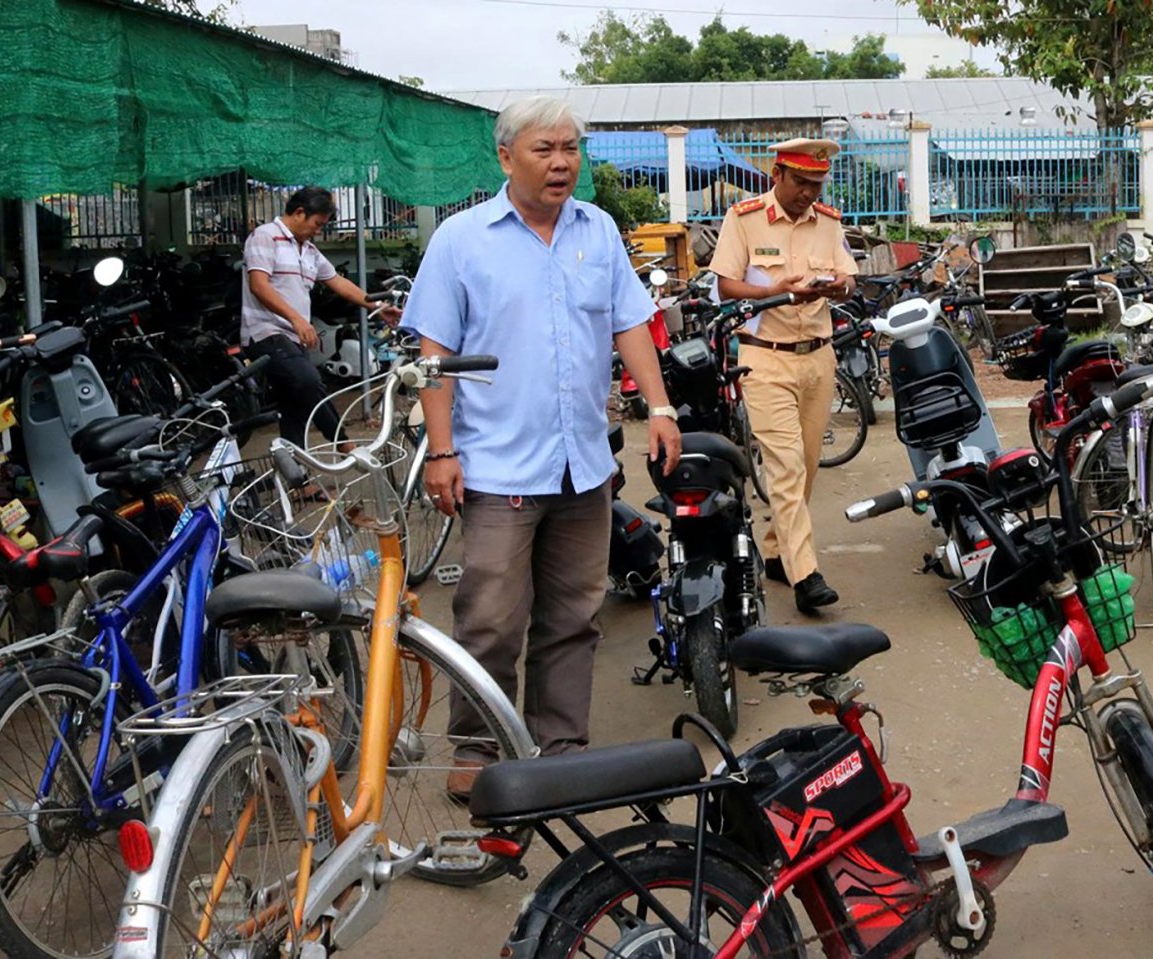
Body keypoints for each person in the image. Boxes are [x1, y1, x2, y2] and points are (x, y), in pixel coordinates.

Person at [399, 95, 683, 801]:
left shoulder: (598, 230)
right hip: (497, 464)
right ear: (505, 157)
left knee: (573, 614)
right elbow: (434, 352)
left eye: (570, 149)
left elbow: (629, 325)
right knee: (490, 615)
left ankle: (559, 747)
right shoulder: (462, 241)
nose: (561, 164)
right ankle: (477, 743)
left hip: (583, 462)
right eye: (544, 150)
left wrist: (663, 406)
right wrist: (441, 452)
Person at [710, 138, 858, 615]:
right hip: (765, 358)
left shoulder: (829, 223)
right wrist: (773, 290)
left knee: (808, 464)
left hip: (818, 358)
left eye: (817, 184)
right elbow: (726, 284)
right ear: (777, 174)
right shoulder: (745, 218)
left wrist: (840, 284)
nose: (808, 194)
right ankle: (806, 575)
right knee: (787, 465)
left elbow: (849, 274)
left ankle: (776, 550)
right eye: (800, 183)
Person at [241, 186, 400, 448]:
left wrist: (378, 307)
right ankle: (342, 441)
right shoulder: (265, 237)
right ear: (299, 213)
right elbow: (259, 285)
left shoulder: (309, 250)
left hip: (295, 338)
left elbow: (337, 281)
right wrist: (296, 319)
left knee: (294, 408)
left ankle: (298, 482)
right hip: (266, 333)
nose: (318, 231)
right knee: (309, 382)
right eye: (317, 224)